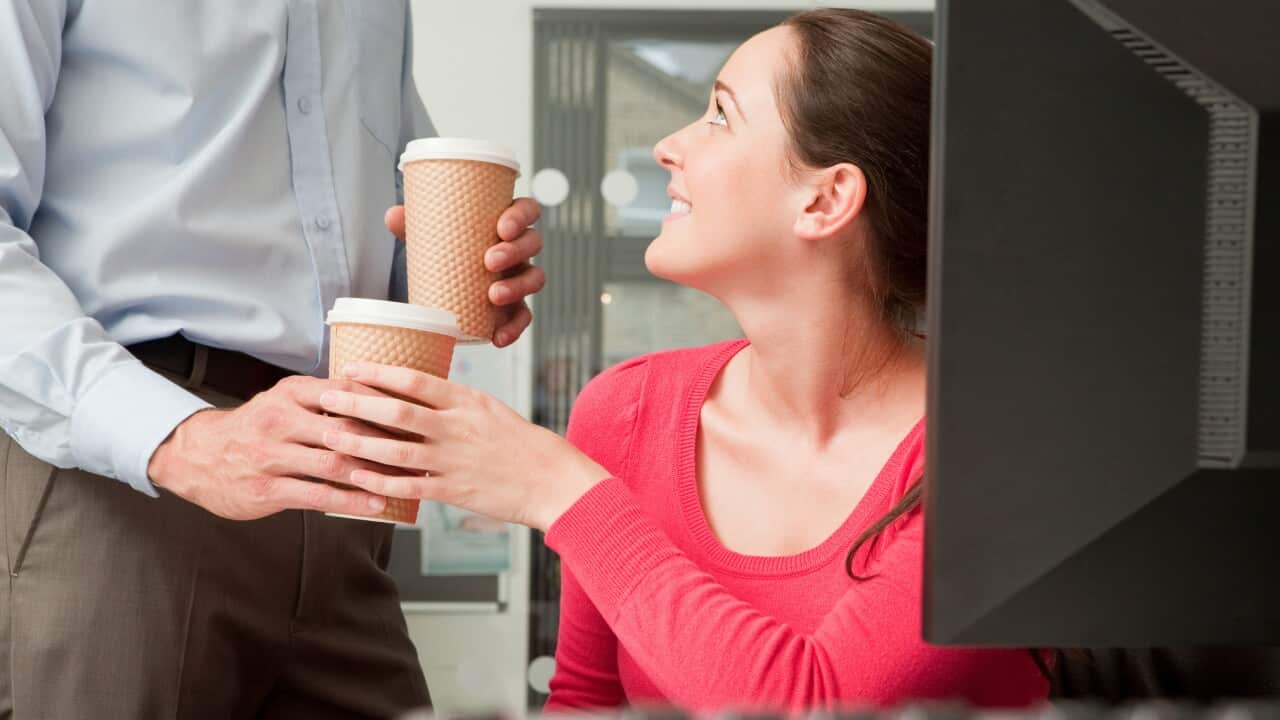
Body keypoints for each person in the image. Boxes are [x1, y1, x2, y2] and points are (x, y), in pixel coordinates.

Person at [312, 8, 1051, 713]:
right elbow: (586, 700)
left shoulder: (987, 456)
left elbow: (820, 705)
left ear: (826, 201)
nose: (670, 144)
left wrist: (564, 493)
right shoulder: (627, 413)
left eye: (721, 114)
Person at [0, 3, 543, 718]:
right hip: (129, 482)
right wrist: (178, 439)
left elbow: (372, 226)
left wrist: (466, 274)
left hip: (336, 482)